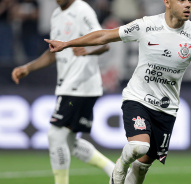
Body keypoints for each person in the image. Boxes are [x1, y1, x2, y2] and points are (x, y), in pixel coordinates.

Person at [44, 0, 191, 183]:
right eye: (182, 0)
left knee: (143, 166)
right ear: (167, 2)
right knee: (138, 146)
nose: (188, 4)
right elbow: (105, 34)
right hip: (137, 98)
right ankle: (119, 168)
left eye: (190, 1)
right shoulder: (146, 25)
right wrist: (68, 43)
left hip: (166, 109)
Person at [11, 0, 115, 184]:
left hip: (81, 84)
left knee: (55, 135)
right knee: (68, 143)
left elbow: (104, 42)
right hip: (68, 85)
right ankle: (115, 171)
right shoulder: (56, 15)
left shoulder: (82, 9)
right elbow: (54, 52)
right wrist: (28, 67)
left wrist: (88, 50)